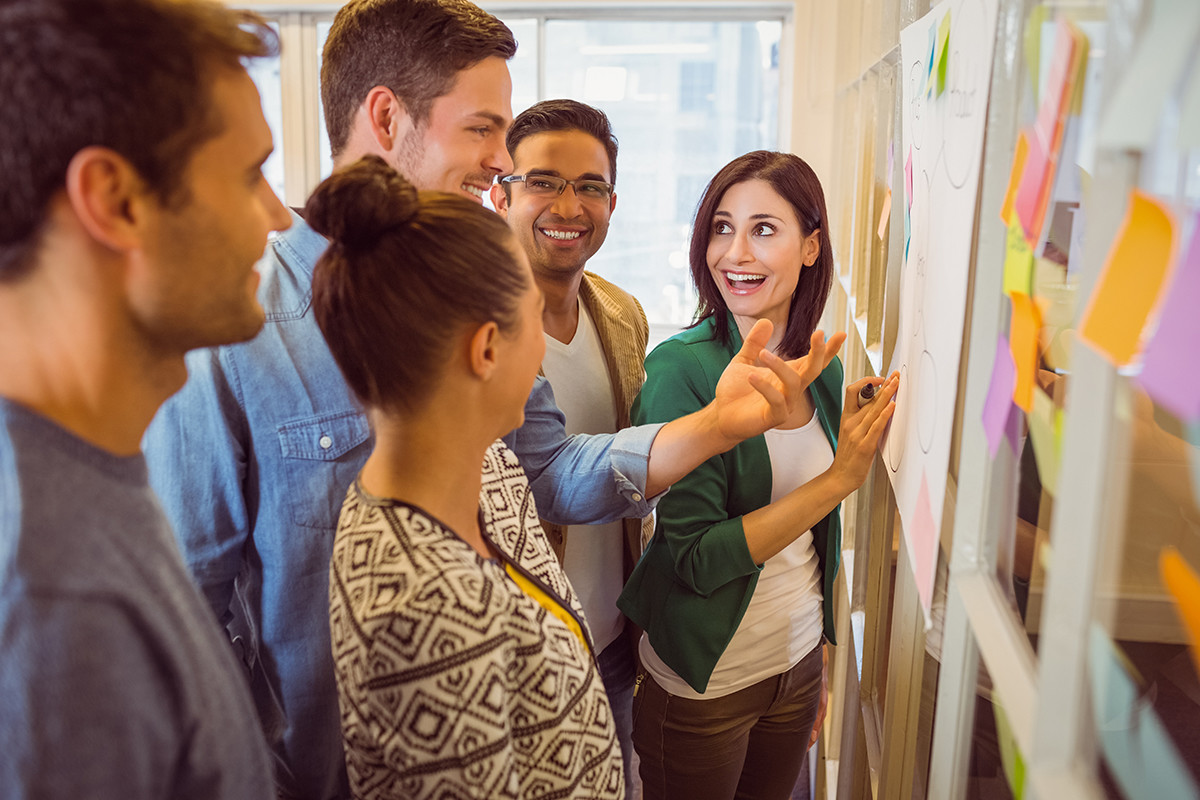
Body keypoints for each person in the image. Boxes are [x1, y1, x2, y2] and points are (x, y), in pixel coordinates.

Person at [143, 2, 826, 796]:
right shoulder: (237, 320)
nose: (502, 160)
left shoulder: (473, 283)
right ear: (387, 116)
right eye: (483, 129)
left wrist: (715, 425)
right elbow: (188, 611)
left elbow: (546, 474)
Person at [0, 0, 291, 796]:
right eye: (250, 174)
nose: (275, 216)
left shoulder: (90, 475)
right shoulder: (55, 595)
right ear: (118, 200)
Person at [314, 155, 623, 800]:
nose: (542, 345)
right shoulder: (417, 603)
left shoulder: (491, 465)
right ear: (486, 350)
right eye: (530, 322)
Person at [617, 151, 899, 800]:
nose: (734, 252)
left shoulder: (819, 366)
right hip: (705, 683)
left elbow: (811, 541)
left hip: (795, 665)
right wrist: (837, 479)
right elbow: (693, 558)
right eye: (721, 227)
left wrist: (819, 654)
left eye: (764, 229)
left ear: (811, 246)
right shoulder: (679, 371)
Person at [492, 98, 647, 793]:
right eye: (544, 181)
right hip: (522, 650)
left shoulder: (621, 312)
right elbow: (547, 480)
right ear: (501, 193)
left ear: (612, 202)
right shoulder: (476, 325)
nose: (569, 205)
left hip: (614, 642)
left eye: (590, 187)